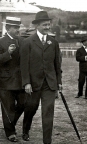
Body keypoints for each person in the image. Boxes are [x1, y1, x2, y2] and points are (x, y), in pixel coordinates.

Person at [20, 11, 62, 144]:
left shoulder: (53, 42)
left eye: (48, 25)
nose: (47, 27)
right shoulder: (28, 42)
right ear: (37, 25)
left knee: (48, 112)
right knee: (31, 109)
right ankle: (25, 129)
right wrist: (26, 83)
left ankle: (47, 141)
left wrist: (59, 82)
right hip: (33, 84)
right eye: (44, 25)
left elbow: (57, 64)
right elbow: (24, 65)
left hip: (49, 84)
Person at [0, 17, 26, 142]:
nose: (18, 30)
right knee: (8, 107)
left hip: (21, 80)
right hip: (6, 81)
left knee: (24, 103)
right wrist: (8, 53)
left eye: (18, 27)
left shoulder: (23, 41)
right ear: (7, 28)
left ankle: (10, 124)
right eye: (15, 28)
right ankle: (10, 132)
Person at [48, 32, 62, 99]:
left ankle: (55, 92)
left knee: (56, 79)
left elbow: (59, 59)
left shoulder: (55, 46)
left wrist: (59, 67)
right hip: (50, 68)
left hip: (55, 67)